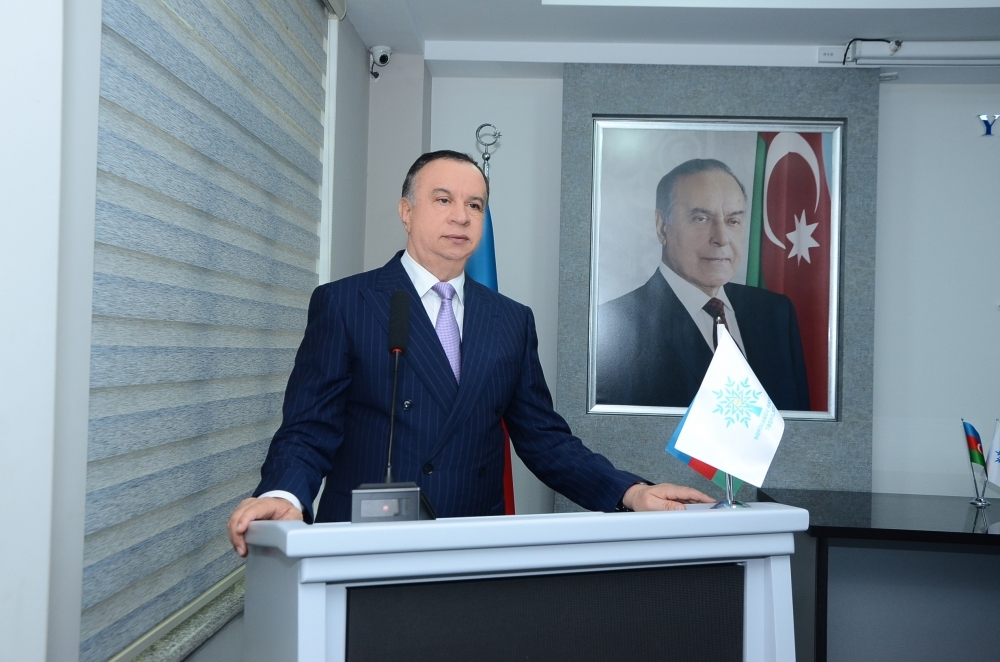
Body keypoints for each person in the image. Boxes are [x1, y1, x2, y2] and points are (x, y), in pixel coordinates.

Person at [228, 150, 713, 556]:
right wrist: (284, 493)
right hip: (365, 545)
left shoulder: (510, 320)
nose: (461, 216)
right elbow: (309, 427)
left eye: (475, 205)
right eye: (443, 199)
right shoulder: (346, 303)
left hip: (473, 546)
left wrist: (630, 491)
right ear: (406, 211)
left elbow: (544, 440)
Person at [596, 158, 810, 411]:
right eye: (701, 218)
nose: (721, 238)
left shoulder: (776, 312)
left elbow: (801, 424)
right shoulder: (615, 324)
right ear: (662, 227)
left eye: (733, 221)